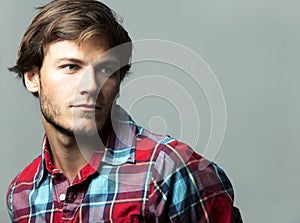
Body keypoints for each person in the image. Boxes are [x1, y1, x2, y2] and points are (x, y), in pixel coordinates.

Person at [6, 0, 242, 222]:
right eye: (71, 67)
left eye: (106, 69)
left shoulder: (170, 170)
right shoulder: (22, 192)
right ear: (32, 77)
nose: (90, 86)